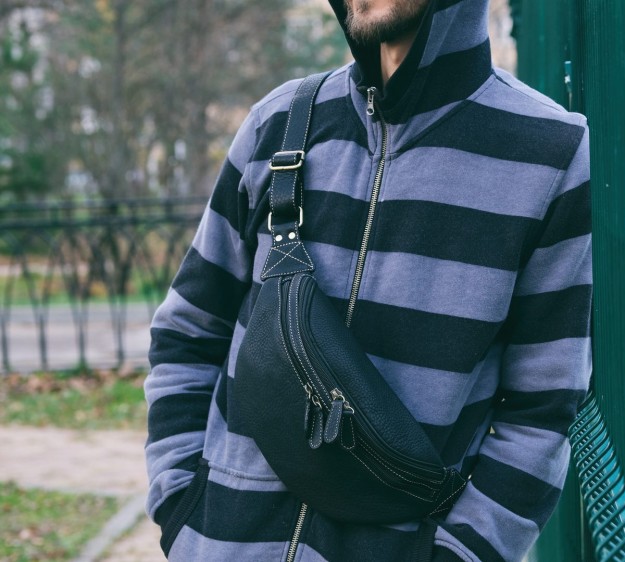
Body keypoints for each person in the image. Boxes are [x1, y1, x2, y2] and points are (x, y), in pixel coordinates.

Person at [143, 0, 592, 560]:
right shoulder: (277, 123)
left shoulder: (551, 152)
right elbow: (187, 331)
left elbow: (542, 409)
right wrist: (181, 507)